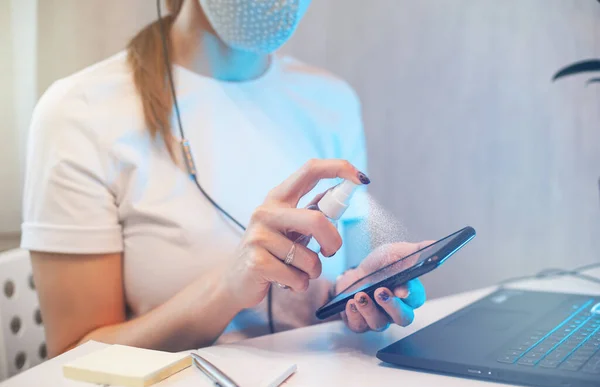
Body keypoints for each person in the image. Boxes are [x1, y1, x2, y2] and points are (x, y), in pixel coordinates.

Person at [22, 0, 428, 357]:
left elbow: (334, 284)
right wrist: (227, 289)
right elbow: (72, 362)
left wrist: (360, 293)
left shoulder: (332, 101)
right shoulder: (80, 113)